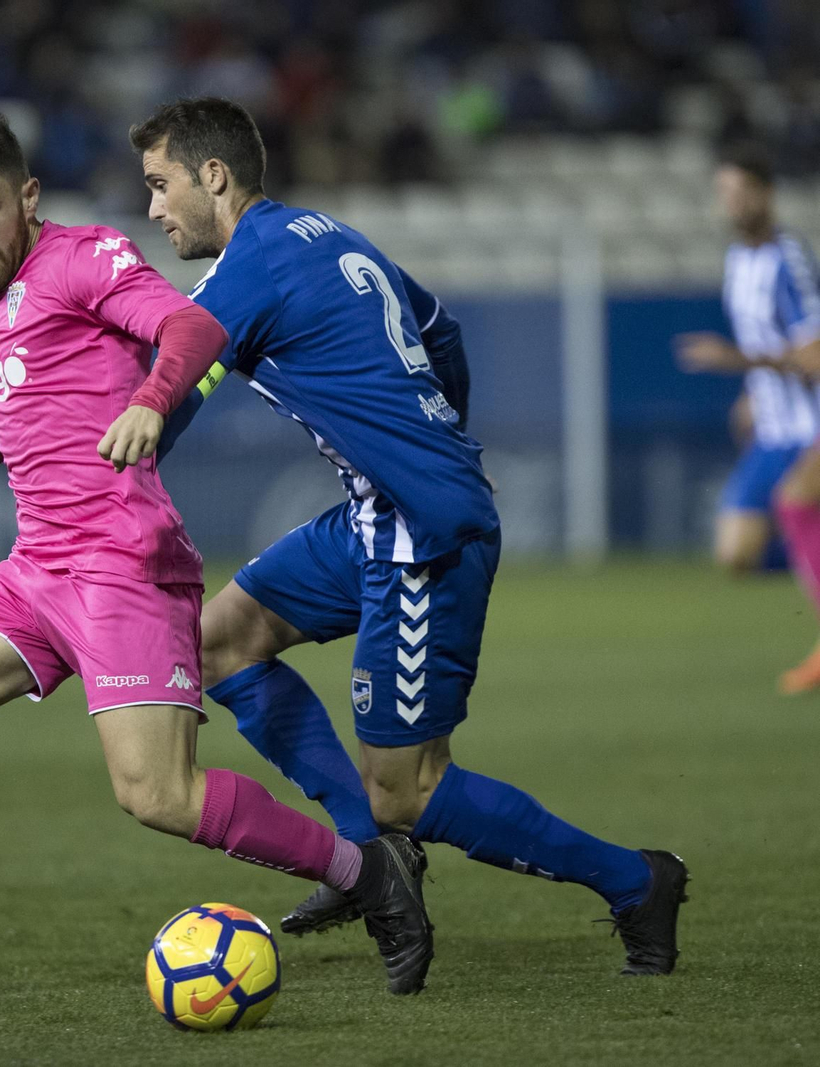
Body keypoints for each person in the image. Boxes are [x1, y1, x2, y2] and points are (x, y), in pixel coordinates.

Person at [0, 113, 434, 1013]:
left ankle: (366, 870)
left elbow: (191, 331)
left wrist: (154, 402)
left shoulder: (84, 258)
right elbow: (13, 408)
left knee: (158, 794)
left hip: (124, 566)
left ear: (28, 198)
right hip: (36, 568)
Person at [129, 97, 688, 976]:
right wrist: (436, 448)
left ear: (213, 175)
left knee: (409, 787)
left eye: (160, 186)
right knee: (219, 641)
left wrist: (128, 442)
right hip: (375, 517)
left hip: (420, 537)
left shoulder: (249, 265)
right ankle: (370, 862)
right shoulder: (325, 235)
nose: (153, 208)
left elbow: (176, 376)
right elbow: (439, 331)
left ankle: (634, 880)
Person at [674, 143, 820, 691]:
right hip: (774, 427)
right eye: (723, 193)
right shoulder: (738, 261)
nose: (731, 203)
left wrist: (735, 362)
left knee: (796, 502)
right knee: (736, 554)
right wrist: (752, 393)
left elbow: (815, 353)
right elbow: (773, 346)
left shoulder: (790, 259)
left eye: (740, 191)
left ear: (767, 194)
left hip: (812, 425)